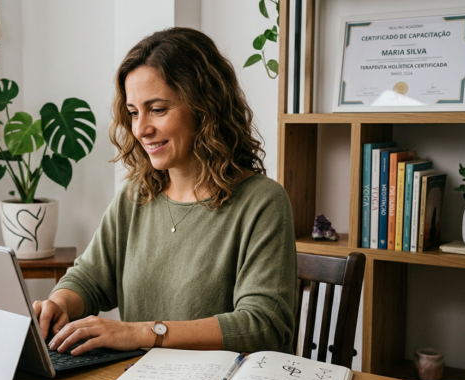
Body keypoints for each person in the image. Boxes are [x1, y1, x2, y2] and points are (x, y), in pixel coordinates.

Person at [34, 28, 296, 357]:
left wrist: (142, 333)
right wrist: (59, 303)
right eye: (133, 112)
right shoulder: (135, 196)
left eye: (157, 109)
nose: (141, 129)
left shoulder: (262, 203)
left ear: (206, 108)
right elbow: (90, 277)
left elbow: (263, 325)